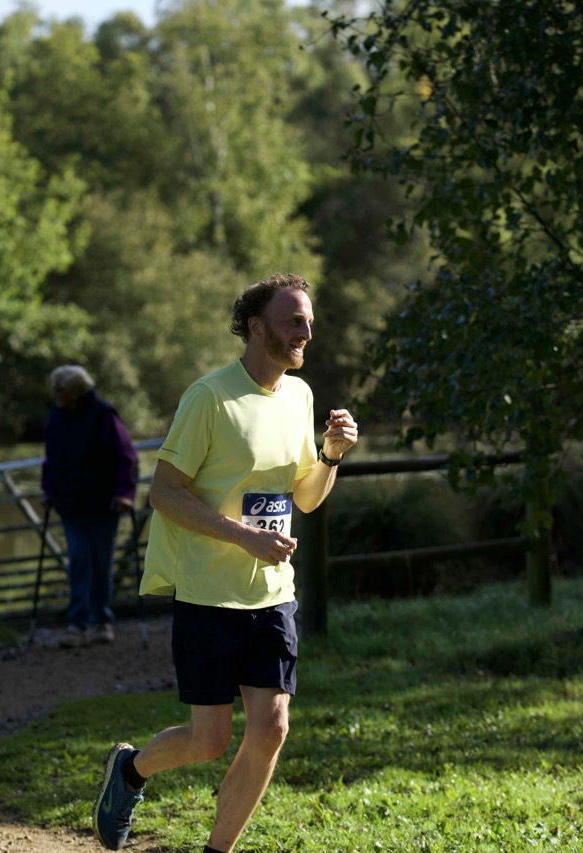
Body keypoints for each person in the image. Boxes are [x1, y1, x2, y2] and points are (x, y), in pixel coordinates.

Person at [92, 273, 359, 852]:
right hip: (208, 594)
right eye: (294, 321)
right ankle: (131, 770)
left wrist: (331, 455)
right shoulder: (208, 397)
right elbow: (164, 493)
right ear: (256, 327)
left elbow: (305, 498)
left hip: (273, 594)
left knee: (272, 729)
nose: (306, 333)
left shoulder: (300, 396)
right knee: (208, 740)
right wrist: (242, 537)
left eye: (309, 322)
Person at [40, 365, 138, 648]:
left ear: (75, 391)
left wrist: (124, 493)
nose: (55, 393)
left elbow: (126, 457)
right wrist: (48, 490)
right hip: (71, 505)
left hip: (103, 504)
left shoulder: (104, 415)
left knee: (100, 563)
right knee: (79, 560)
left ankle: (101, 621)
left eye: (60, 389)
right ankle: (78, 624)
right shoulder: (56, 416)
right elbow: (51, 459)